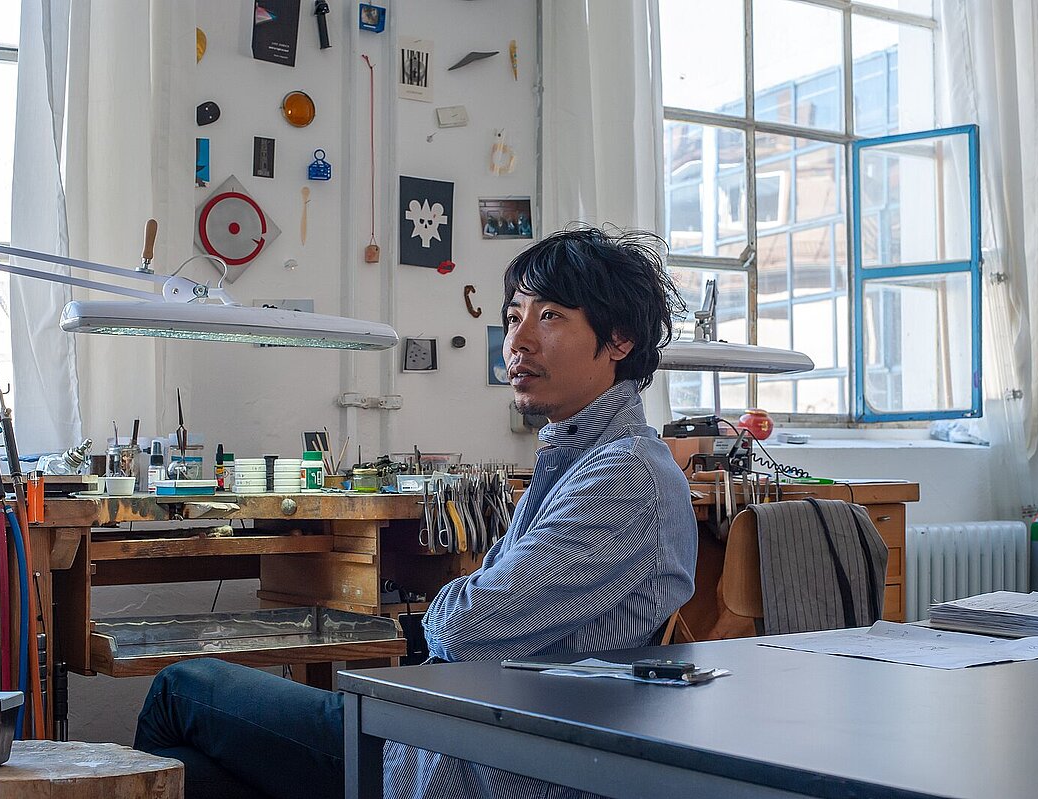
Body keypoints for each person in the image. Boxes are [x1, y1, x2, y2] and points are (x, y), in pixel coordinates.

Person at [134, 227, 699, 799]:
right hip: (456, 729)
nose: (517, 341)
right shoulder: (580, 459)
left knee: (179, 689)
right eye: (513, 316)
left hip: (479, 762)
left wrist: (445, 610)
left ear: (620, 339)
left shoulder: (625, 477)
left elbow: (466, 628)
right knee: (189, 772)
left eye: (549, 316)